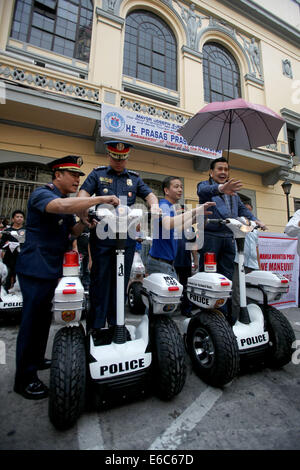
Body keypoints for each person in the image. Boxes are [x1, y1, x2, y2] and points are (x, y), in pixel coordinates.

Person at [14, 155, 120, 400]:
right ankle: (24, 379)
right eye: (73, 175)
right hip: (36, 267)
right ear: (57, 174)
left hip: (52, 267)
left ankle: (38, 359)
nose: (77, 180)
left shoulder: (64, 200)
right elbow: (60, 209)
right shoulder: (44, 194)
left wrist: (84, 222)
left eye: (79, 176)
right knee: (31, 323)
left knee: (42, 320)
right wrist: (101, 198)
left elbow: (72, 231)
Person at [78, 141, 159, 332]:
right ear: (108, 155)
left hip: (126, 236)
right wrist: (86, 210)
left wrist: (154, 205)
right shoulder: (98, 174)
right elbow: (82, 195)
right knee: (100, 283)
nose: (119, 161)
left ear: (127, 158)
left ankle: (117, 325)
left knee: (120, 282)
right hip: (102, 236)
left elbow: (149, 195)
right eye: (115, 157)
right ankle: (96, 329)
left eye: (123, 158)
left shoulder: (134, 179)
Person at [197, 157, 266, 281]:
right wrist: (220, 189)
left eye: (226, 169)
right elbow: (202, 191)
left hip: (230, 238)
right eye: (220, 169)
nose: (223, 172)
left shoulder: (233, 193)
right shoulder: (204, 185)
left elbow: (242, 209)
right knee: (208, 276)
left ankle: (226, 301)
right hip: (211, 237)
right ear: (211, 172)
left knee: (227, 276)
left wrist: (256, 220)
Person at [146, 176, 215, 278]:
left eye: (181, 187)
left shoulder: (171, 207)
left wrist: (194, 219)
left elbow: (177, 229)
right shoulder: (163, 205)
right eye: (176, 187)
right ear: (166, 190)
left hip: (167, 262)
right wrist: (195, 210)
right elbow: (168, 223)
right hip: (160, 263)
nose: (180, 190)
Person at [231, 202, 261, 321]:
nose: (247, 213)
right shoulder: (236, 223)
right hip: (239, 262)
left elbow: (256, 247)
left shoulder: (255, 229)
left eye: (249, 211)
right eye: (245, 210)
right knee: (237, 291)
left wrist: (259, 264)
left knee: (253, 291)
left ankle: (252, 315)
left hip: (253, 264)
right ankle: (236, 317)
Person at [174, 206, 199, 317]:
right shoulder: (171, 226)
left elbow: (193, 246)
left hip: (185, 262)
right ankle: (171, 307)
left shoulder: (190, 229)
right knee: (172, 286)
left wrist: (196, 260)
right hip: (171, 262)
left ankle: (186, 309)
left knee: (186, 287)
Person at [1, 210, 26, 291]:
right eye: (17, 217)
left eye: (21, 217)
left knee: (23, 278)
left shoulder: (27, 230)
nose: (19, 218)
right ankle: (5, 293)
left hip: (22, 258)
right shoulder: (7, 231)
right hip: (9, 258)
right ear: (13, 219)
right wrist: (8, 244)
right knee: (7, 277)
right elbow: (1, 244)